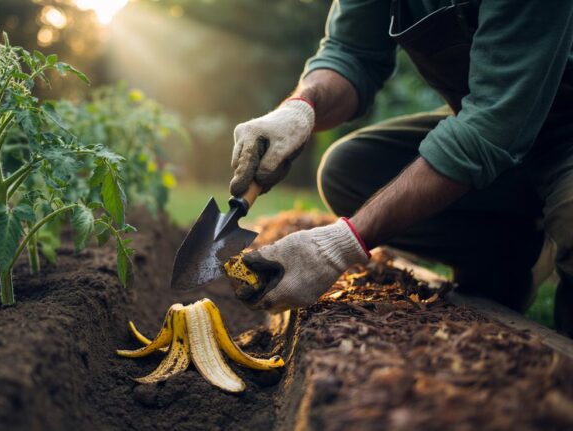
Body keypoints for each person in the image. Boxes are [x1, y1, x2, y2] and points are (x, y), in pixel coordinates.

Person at [230, 0, 573, 335]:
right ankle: (510, 253)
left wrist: (339, 245)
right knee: (348, 172)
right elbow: (351, 54)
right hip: (488, 119)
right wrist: (300, 108)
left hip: (558, 130)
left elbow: (493, 124)